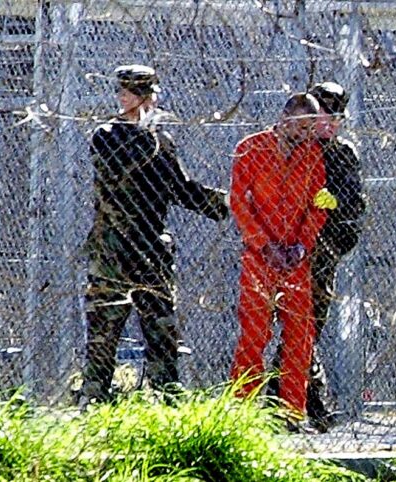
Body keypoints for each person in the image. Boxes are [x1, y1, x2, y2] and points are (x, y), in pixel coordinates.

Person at [80, 64, 229, 404]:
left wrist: (222, 204)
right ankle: (95, 398)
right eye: (125, 93)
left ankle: (168, 398)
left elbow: (179, 186)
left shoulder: (160, 139)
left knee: (161, 329)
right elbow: (118, 178)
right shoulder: (107, 136)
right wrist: (147, 136)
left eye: (132, 94)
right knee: (105, 329)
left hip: (151, 246)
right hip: (114, 246)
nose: (124, 98)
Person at [268, 82, 365, 431]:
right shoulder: (291, 149)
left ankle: (296, 401)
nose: (331, 122)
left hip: (322, 252)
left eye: (336, 115)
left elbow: (353, 202)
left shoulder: (341, 153)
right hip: (285, 250)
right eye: (325, 113)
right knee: (297, 327)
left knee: (307, 328)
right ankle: (296, 401)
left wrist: (332, 204)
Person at [229, 93, 332, 419]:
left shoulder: (313, 155)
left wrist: (302, 244)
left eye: (311, 127)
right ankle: (241, 412)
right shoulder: (251, 148)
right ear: (285, 118)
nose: (306, 134)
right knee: (255, 333)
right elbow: (238, 202)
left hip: (295, 258)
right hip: (261, 257)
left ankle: (291, 412)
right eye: (301, 126)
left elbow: (318, 205)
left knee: (300, 336)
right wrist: (263, 243)